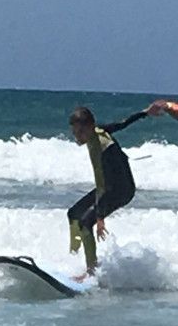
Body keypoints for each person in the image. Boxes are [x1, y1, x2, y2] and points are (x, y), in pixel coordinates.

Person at [67, 101, 164, 275]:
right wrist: (145, 112)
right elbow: (122, 124)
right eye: (75, 133)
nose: (78, 137)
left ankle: (91, 271)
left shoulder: (105, 149)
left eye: (81, 132)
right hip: (107, 188)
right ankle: (72, 257)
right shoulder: (97, 132)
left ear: (90, 126)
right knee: (73, 214)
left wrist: (100, 215)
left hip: (122, 190)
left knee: (85, 223)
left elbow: (107, 184)